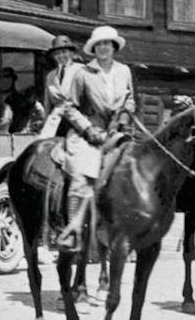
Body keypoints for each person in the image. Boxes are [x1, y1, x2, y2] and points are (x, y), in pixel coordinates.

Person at [50, 25, 135, 250]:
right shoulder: (83, 73)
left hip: (117, 132)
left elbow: (130, 100)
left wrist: (124, 119)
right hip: (87, 134)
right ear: (93, 49)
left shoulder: (124, 71)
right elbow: (70, 108)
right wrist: (89, 130)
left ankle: (130, 230)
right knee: (81, 179)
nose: (103, 48)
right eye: (99, 45)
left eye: (107, 44)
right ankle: (72, 232)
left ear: (114, 47)